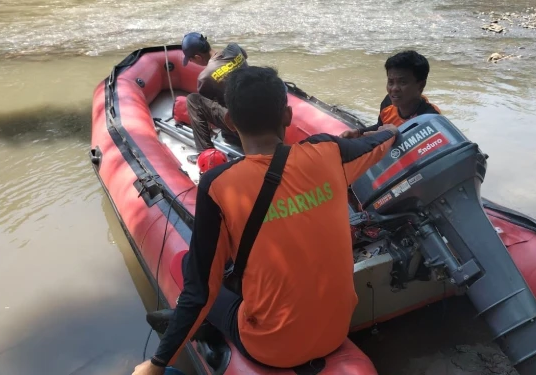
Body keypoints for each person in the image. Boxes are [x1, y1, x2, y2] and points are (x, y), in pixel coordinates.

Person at [132, 66, 399, 375]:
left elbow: (199, 292)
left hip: (271, 348)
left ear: (230, 121)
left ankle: (199, 334)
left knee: (187, 264)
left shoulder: (218, 185)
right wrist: (390, 130)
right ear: (287, 116)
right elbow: (380, 142)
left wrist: (157, 363)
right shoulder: (330, 152)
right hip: (337, 330)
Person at [181, 32, 249, 163]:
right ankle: (232, 136)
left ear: (197, 57)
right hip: (259, 110)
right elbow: (245, 56)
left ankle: (204, 152)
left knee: (194, 101)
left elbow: (210, 103)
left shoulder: (205, 76)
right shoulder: (234, 48)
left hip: (241, 123)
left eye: (190, 59)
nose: (190, 62)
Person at [341, 50, 441, 139]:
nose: (394, 89)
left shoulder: (431, 117)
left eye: (402, 82)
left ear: (421, 85)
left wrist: (391, 136)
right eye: (391, 82)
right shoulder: (387, 103)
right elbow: (380, 126)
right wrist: (358, 132)